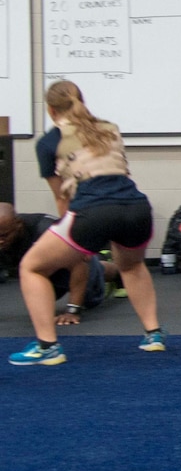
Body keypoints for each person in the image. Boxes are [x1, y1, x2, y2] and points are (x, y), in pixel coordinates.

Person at [9, 82, 163, 366]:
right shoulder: (110, 128)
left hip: (93, 211)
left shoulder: (48, 142)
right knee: (131, 266)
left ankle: (47, 347)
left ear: (51, 110)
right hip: (137, 209)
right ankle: (153, 335)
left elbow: (62, 198)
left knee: (31, 267)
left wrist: (71, 242)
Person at [0, 204, 107, 318]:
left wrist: (73, 310)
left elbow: (79, 265)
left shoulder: (46, 231)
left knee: (90, 299)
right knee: (39, 302)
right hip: (43, 270)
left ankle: (117, 272)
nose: (0, 241)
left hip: (75, 261)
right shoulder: (7, 232)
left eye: (4, 236)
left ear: (18, 225)